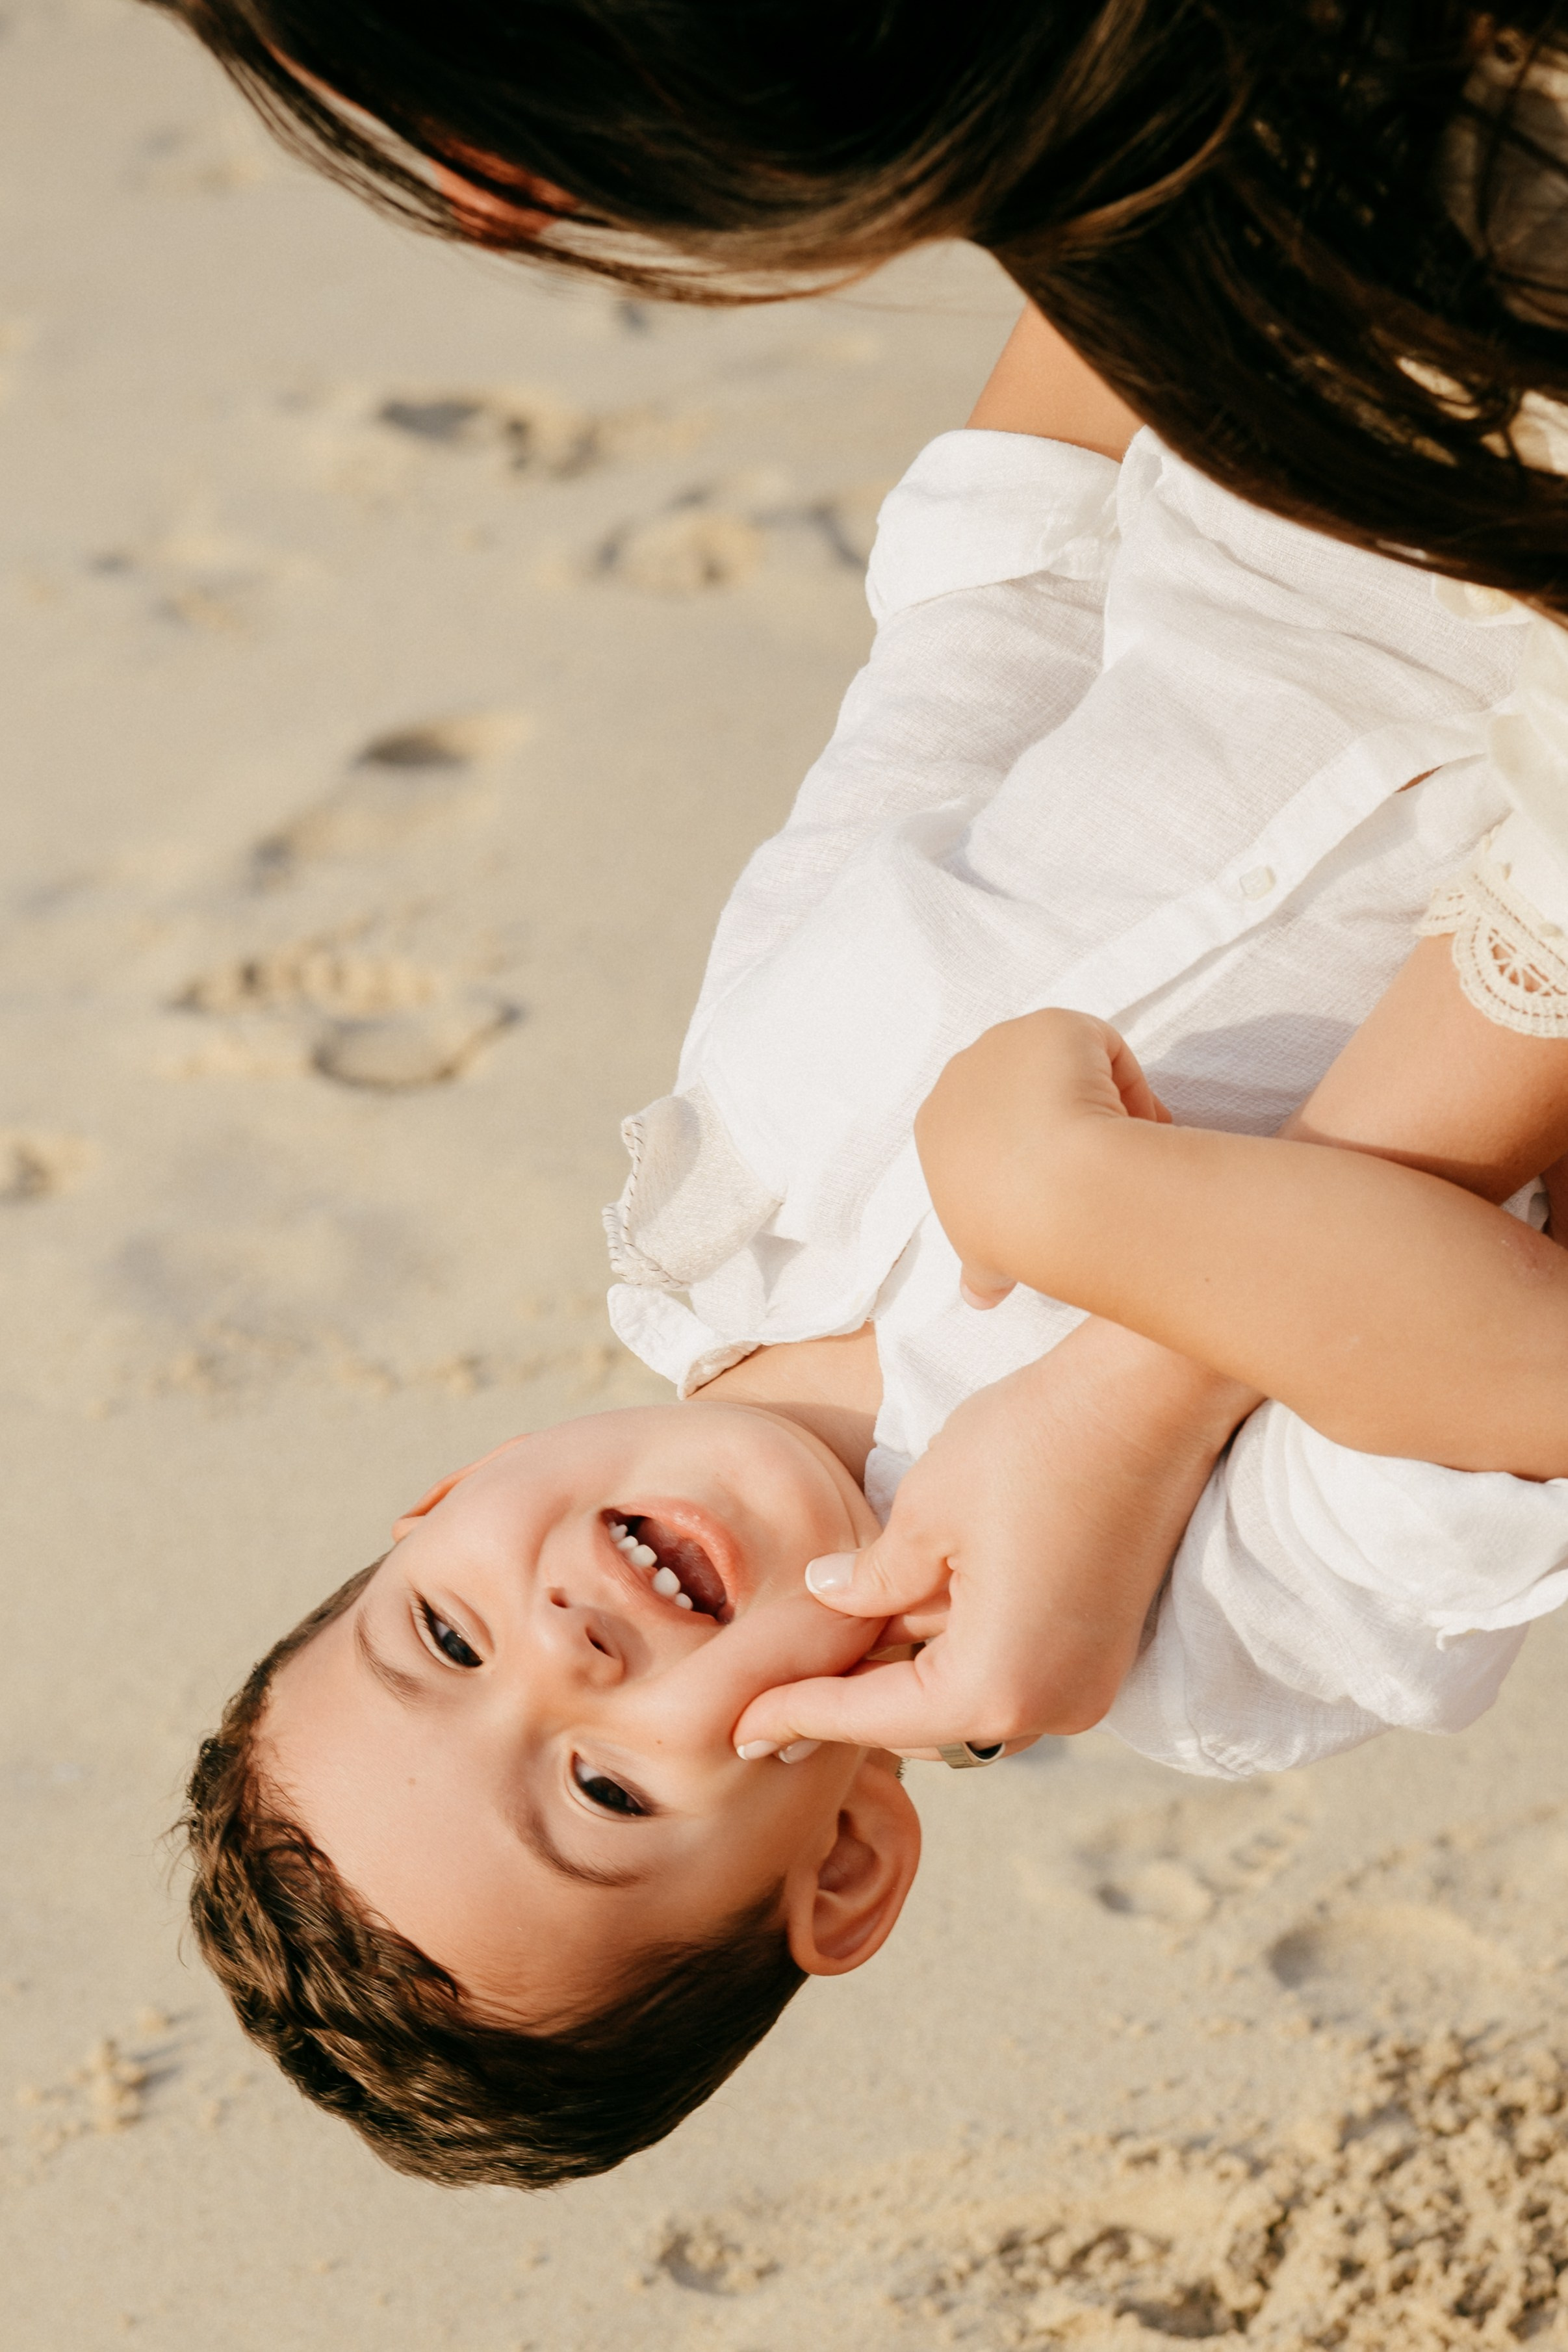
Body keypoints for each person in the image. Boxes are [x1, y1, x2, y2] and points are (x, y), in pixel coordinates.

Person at [181, 350, 1568, 2184]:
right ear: (839, 1865)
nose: (564, 1646)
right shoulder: (1203, 1645)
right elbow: (1522, 1368)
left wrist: (1137, 187)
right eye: (601, 1786)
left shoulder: (716, 1173)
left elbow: (995, 605)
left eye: (443, 1630)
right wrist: (1064, 1213)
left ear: (434, 1495)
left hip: (1328, 394)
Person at [149, 0, 1568, 615]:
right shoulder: (1209, 147)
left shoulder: (1488, 186)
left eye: (485, 119)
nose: (490, 213)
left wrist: (1106, 1194)